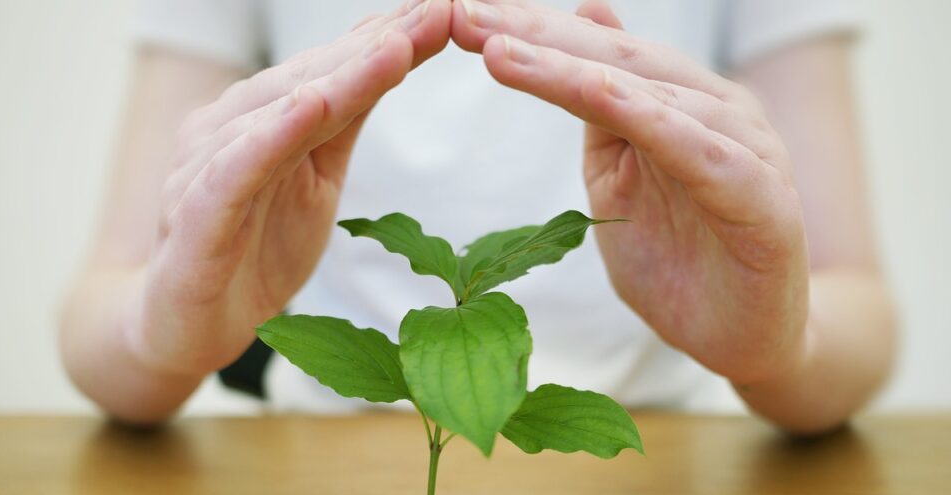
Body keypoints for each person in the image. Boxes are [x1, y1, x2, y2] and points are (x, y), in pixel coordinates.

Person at [59, 0, 896, 435]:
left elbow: (856, 300)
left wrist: (780, 347)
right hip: (321, 477)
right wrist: (162, 330)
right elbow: (99, 308)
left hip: (672, 479)